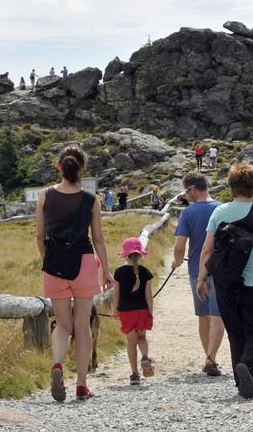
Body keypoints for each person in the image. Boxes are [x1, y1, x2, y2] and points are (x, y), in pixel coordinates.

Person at [36, 145, 114, 402]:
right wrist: (107, 271)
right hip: (84, 263)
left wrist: (49, 262)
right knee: (82, 325)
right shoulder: (91, 200)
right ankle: (81, 385)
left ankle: (57, 364)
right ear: (83, 169)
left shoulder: (44, 196)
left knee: (62, 324)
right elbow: (98, 238)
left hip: (55, 265)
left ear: (59, 166)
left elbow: (39, 236)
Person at [197, 163, 253, 399]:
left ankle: (243, 383)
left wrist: (203, 278)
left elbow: (206, 250)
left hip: (225, 283)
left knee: (236, 334)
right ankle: (248, 365)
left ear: (231, 187)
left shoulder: (219, 213)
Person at [172, 171, 224, 377]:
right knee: (217, 315)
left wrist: (177, 261)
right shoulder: (222, 208)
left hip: (196, 269)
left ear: (192, 189)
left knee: (203, 315)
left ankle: (209, 357)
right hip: (219, 269)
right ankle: (211, 357)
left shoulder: (187, 213)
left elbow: (179, 246)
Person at [113, 237, 155, 385]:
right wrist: (150, 312)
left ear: (125, 255)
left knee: (131, 342)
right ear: (140, 254)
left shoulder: (119, 272)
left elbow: (116, 295)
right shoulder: (146, 272)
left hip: (126, 312)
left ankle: (135, 374)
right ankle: (145, 356)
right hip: (142, 310)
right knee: (142, 337)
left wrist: (114, 311)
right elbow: (148, 297)